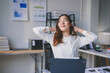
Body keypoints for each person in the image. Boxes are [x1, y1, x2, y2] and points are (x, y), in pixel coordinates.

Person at [33, 14, 97, 72]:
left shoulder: (77, 39)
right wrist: (53, 29)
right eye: (59, 21)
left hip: (73, 70)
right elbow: (36, 30)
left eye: (65, 20)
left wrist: (78, 29)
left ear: (70, 24)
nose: (62, 23)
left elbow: (93, 37)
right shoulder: (53, 38)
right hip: (59, 70)